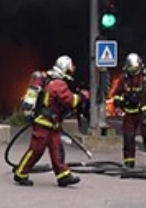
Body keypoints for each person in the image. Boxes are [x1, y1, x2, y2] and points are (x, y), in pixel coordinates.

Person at [13, 55, 89, 187]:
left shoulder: (51, 79)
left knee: (57, 149)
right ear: (66, 69)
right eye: (70, 69)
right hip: (44, 122)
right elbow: (70, 101)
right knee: (36, 150)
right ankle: (20, 173)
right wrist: (83, 96)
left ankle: (63, 176)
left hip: (51, 123)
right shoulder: (58, 84)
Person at [113, 53, 146, 170]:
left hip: (144, 113)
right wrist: (118, 106)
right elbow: (117, 94)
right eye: (131, 69)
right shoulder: (124, 78)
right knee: (128, 140)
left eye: (135, 69)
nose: (133, 71)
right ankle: (129, 164)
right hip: (129, 114)